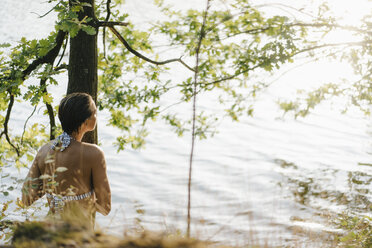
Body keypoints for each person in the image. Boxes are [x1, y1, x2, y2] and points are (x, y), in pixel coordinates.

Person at [22, 92, 111, 227]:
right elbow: (105, 207)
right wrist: (81, 200)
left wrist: (54, 194)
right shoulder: (94, 154)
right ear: (86, 121)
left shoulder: (44, 150)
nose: (97, 116)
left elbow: (26, 199)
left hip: (49, 232)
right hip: (79, 235)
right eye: (95, 112)